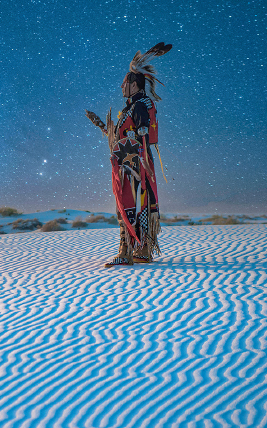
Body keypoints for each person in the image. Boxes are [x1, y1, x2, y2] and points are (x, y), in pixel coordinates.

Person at [85, 42, 172, 267]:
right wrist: (102, 126)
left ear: (134, 84)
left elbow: (141, 130)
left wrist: (140, 134)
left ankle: (126, 251)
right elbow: (122, 136)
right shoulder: (130, 108)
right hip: (131, 163)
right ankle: (141, 249)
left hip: (135, 165)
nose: (122, 86)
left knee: (130, 204)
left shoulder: (140, 104)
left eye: (125, 82)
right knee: (136, 204)